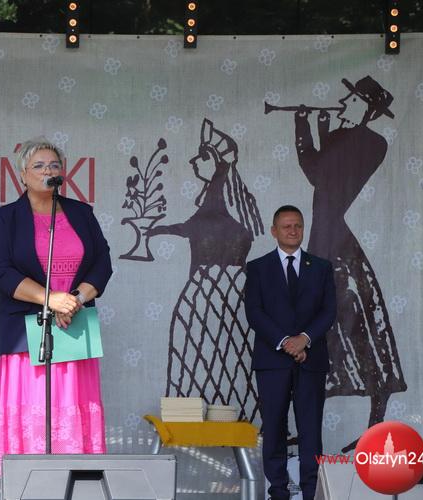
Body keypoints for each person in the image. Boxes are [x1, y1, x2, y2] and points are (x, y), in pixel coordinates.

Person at [0, 138, 113, 477]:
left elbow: (102, 263)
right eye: (39, 166)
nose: (48, 171)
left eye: (54, 165)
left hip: (74, 323)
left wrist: (74, 300)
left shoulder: (82, 214)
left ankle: (77, 484)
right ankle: (28, 484)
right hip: (25, 331)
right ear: (23, 175)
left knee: (71, 407)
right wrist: (50, 298)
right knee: (35, 410)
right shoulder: (7, 217)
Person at [293, 76, 406, 451]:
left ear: (369, 109)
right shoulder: (345, 137)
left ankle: (375, 424)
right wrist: (311, 130)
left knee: (360, 331)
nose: (344, 102)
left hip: (338, 245)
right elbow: (318, 172)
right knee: (322, 336)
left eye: (353, 99)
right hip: (326, 241)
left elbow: (325, 176)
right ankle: (311, 428)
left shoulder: (372, 143)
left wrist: (318, 133)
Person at [147, 118, 264, 421]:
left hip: (216, 282)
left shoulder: (222, 197)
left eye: (202, 156)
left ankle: (222, 415)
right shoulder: (221, 196)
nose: (194, 162)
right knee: (216, 348)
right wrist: (161, 230)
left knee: (207, 344)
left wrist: (159, 230)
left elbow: (198, 228)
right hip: (219, 282)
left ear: (217, 161)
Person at [244, 205, 336, 500]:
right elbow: (254, 312)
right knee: (274, 428)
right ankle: (278, 492)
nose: (293, 231)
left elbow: (328, 311)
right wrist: (286, 342)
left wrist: (304, 340)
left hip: (311, 359)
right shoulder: (258, 268)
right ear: (274, 231)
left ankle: (311, 492)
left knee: (310, 429)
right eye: (286, 226)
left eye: (297, 225)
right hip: (272, 361)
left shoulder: (321, 267)